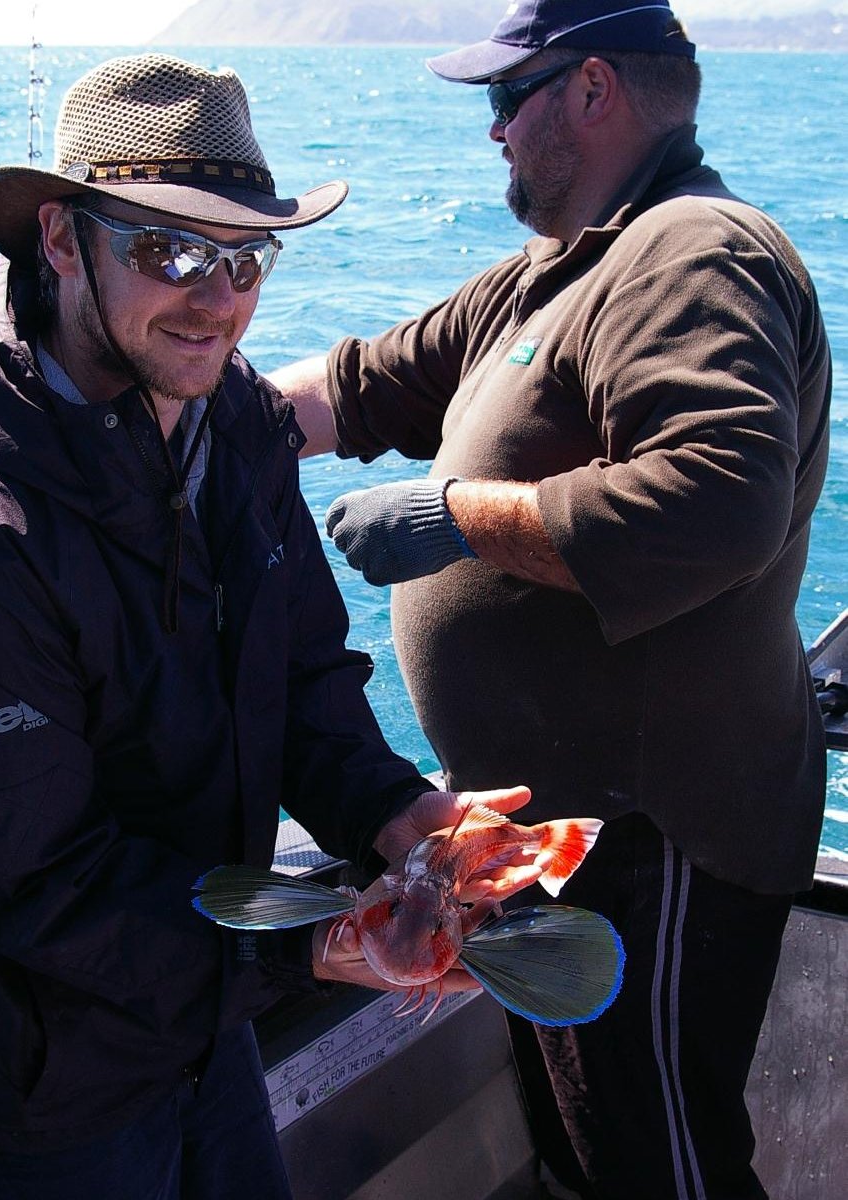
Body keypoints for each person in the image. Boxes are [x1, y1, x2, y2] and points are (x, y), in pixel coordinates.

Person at [0, 53, 548, 1200]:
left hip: (198, 1008)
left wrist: (401, 818)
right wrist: (315, 945)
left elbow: (306, 683)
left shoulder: (235, 422)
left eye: (245, 258)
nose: (218, 298)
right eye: (172, 250)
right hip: (36, 1083)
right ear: (63, 241)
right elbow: (45, 890)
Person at [269, 2, 833, 1198]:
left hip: (663, 831)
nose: (489, 135)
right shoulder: (562, 271)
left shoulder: (692, 254)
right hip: (560, 838)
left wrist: (453, 517)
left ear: (591, 91)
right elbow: (354, 389)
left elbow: (720, 495)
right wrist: (148, 414)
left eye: (502, 100)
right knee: (591, 1154)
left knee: (662, 1167)